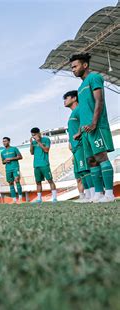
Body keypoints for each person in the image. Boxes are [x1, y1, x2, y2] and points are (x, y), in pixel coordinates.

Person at [70, 53, 115, 203]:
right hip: (86, 130)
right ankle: (98, 194)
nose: (73, 69)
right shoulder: (81, 86)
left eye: (75, 66)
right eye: (71, 67)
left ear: (85, 65)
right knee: (92, 161)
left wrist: (94, 122)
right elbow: (84, 110)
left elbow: (99, 100)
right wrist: (79, 131)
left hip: (97, 126)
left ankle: (109, 194)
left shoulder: (94, 78)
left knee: (101, 157)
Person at [64, 90, 95, 202]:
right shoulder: (72, 113)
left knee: (86, 170)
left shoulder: (79, 109)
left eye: (66, 98)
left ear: (74, 98)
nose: (64, 101)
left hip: (81, 145)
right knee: (81, 172)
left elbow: (86, 122)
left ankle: (93, 194)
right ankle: (87, 195)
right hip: (75, 148)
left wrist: (79, 134)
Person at [30, 127, 57, 203]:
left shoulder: (46, 139)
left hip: (44, 164)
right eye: (32, 135)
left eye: (35, 135)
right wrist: (31, 144)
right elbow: (31, 153)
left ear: (39, 133)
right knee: (38, 182)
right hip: (36, 165)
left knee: (50, 180)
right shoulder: (34, 142)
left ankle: (54, 198)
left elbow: (46, 150)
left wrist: (39, 142)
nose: (34, 136)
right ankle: (39, 199)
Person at [0, 137, 23, 203]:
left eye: (5, 141)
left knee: (17, 180)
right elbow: (3, 162)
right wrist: (5, 161)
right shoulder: (2, 152)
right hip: (8, 169)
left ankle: (20, 198)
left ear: (9, 141)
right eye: (3, 141)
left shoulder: (14, 149)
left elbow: (20, 157)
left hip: (15, 167)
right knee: (10, 183)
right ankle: (14, 199)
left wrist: (11, 159)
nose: (4, 143)